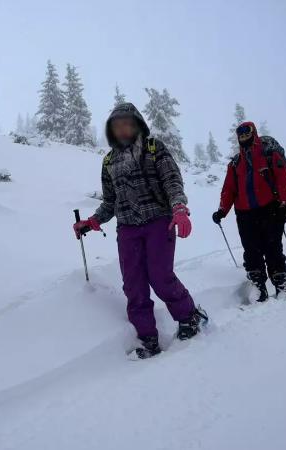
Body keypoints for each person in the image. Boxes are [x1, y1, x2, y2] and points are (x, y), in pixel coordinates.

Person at [73, 102, 207, 360]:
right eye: (117, 125)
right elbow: (111, 201)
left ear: (137, 125)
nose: (123, 129)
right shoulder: (109, 161)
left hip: (159, 222)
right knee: (133, 286)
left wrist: (179, 208)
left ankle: (189, 316)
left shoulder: (153, 148)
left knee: (160, 277)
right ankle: (147, 337)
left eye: (127, 123)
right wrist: (92, 221)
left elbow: (172, 181)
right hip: (127, 229)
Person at [212, 121, 286, 302]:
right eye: (240, 134)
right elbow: (229, 189)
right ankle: (258, 288)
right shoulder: (235, 163)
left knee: (273, 249)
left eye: (246, 132)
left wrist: (285, 204)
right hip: (245, 214)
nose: (243, 136)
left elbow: (282, 180)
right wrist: (222, 211)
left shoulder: (269, 154)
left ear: (253, 132)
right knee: (251, 252)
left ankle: (281, 286)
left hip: (270, 210)